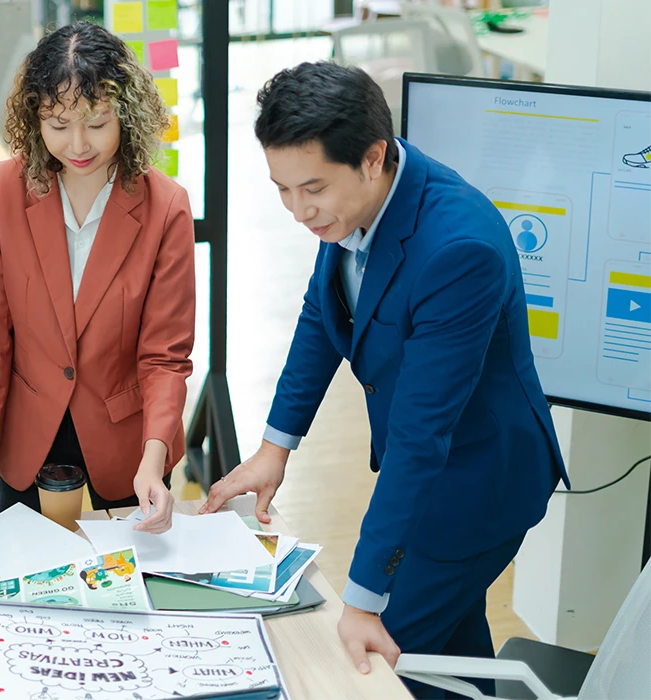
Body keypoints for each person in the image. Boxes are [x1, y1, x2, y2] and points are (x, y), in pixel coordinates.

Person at [201, 62, 568, 699]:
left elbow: (422, 437)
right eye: (282, 189)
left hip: (477, 485)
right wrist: (273, 449)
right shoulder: (351, 203)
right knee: (451, 656)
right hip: (430, 470)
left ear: (373, 158)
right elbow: (322, 315)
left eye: (311, 189)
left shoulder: (459, 250)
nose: (298, 211)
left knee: (377, 668)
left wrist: (365, 599)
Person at [0, 21, 196, 534]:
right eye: (58, 124)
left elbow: (165, 357)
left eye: (97, 122)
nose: (78, 144)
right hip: (29, 436)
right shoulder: (3, 190)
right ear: (35, 118)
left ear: (127, 114)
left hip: (130, 445)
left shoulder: (166, 207)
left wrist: (154, 460)